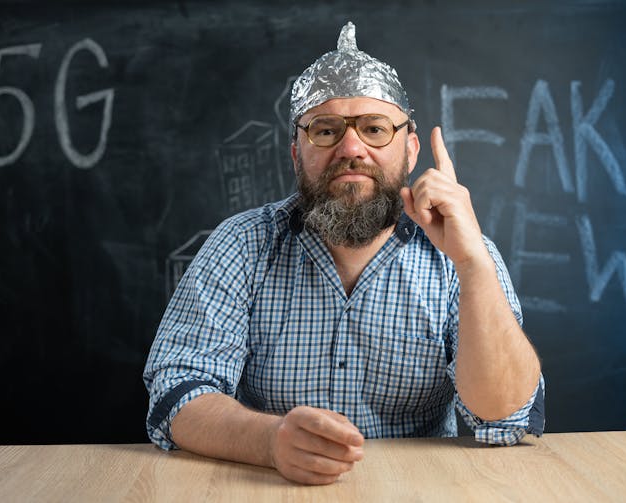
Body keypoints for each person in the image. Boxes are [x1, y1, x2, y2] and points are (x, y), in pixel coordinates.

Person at [144, 22, 544, 485]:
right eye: (326, 131)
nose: (351, 148)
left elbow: (504, 420)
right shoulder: (241, 244)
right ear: (297, 153)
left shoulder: (464, 255)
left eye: (375, 129)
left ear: (410, 150)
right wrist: (269, 441)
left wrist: (473, 263)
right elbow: (177, 392)